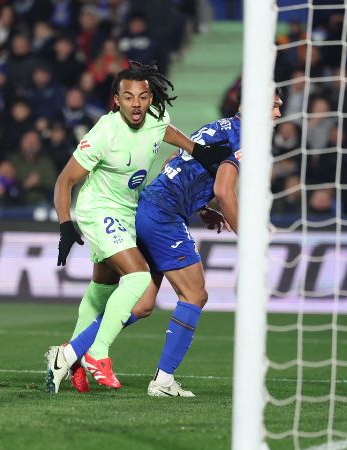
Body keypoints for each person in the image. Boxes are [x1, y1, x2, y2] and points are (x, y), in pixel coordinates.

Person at [55, 89, 284, 396]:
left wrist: (203, 207)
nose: (278, 114)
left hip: (150, 207)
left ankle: (70, 354)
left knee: (144, 304)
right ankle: (163, 381)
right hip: (164, 215)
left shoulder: (218, 127)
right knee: (194, 294)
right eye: (273, 107)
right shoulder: (245, 138)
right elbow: (225, 190)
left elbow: (173, 165)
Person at [46, 61, 234, 393]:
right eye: (129, 97)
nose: (137, 104)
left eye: (143, 97)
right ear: (116, 100)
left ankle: (69, 357)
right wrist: (65, 225)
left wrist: (197, 150)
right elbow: (65, 181)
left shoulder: (154, 119)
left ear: (150, 99)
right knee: (137, 277)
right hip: (98, 210)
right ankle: (97, 354)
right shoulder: (104, 133)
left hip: (130, 208)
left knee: (102, 290)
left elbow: (165, 131)